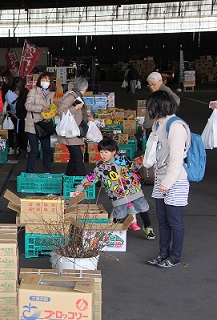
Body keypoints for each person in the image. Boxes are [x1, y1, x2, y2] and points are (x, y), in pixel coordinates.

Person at [73, 137, 155, 240]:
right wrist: (80, 188)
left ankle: (148, 227)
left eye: (106, 152)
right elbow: (91, 177)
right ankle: (114, 234)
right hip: (117, 195)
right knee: (119, 213)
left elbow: (133, 166)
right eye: (101, 152)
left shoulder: (122, 160)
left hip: (134, 189)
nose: (103, 155)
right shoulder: (100, 167)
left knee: (142, 207)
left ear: (114, 152)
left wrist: (140, 161)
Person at [145, 90, 190, 268]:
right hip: (161, 179)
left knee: (175, 221)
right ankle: (163, 254)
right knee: (162, 221)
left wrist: (167, 183)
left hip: (175, 180)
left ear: (158, 106)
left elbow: (177, 159)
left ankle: (175, 257)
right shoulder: (158, 124)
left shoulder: (176, 126)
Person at [58, 77, 90, 176]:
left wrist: (88, 118)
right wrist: (75, 107)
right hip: (70, 132)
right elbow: (61, 112)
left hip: (74, 131)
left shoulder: (76, 95)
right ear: (84, 88)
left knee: (75, 156)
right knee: (78, 156)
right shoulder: (71, 96)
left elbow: (79, 114)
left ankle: (69, 176)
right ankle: (82, 180)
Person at [25, 72, 56, 173]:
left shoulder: (51, 93)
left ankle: (47, 171)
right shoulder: (33, 92)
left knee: (46, 150)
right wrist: (41, 108)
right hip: (32, 124)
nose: (45, 82)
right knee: (34, 150)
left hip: (44, 125)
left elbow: (51, 106)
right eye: (44, 79)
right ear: (39, 80)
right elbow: (28, 106)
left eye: (47, 80)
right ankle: (29, 172)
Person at [143, 71, 180, 138]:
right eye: (149, 85)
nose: (151, 87)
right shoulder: (156, 92)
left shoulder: (165, 91)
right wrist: (145, 125)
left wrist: (164, 110)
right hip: (151, 125)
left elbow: (176, 100)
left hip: (158, 126)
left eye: (153, 84)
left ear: (160, 81)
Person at [1, 70, 16, 154]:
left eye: (4, 78)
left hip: (10, 111)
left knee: (10, 130)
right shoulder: (8, 88)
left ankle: (12, 147)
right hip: (10, 111)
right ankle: (12, 147)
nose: (3, 80)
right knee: (9, 129)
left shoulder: (9, 89)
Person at [14, 77, 29, 159]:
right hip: (20, 117)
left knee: (23, 135)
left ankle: (23, 151)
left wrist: (19, 114)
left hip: (24, 117)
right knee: (20, 134)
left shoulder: (26, 93)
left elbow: (24, 106)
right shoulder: (22, 93)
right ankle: (22, 150)